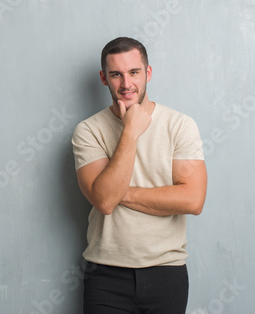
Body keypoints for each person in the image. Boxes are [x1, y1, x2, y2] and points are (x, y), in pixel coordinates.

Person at [72, 37, 207, 313]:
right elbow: (105, 203)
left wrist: (122, 192)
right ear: (103, 78)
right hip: (105, 274)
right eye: (116, 74)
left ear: (148, 73)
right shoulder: (88, 131)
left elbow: (193, 200)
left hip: (166, 271)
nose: (126, 84)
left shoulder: (180, 125)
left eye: (134, 72)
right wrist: (130, 131)